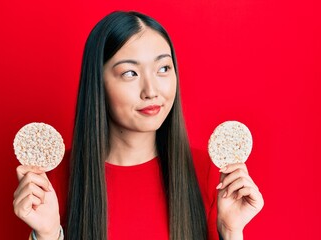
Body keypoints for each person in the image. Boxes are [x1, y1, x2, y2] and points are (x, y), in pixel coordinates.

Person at [13, 11, 264, 240]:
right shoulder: (51, 183)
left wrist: (232, 232)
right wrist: (46, 235)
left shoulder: (211, 176)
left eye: (163, 68)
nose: (151, 91)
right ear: (97, 83)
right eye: (130, 73)